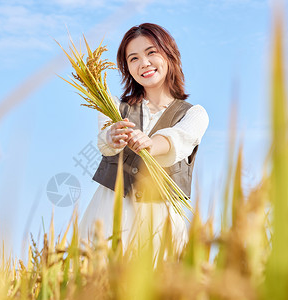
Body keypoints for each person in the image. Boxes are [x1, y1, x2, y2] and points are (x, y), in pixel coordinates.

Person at [79, 23, 209, 256]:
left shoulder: (193, 113)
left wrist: (151, 144)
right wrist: (112, 137)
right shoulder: (115, 108)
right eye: (134, 58)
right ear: (127, 68)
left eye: (151, 53)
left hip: (160, 220)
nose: (144, 63)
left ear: (169, 55)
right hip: (110, 212)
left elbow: (179, 139)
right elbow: (104, 142)